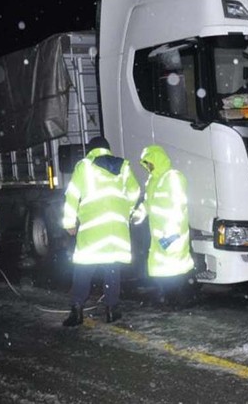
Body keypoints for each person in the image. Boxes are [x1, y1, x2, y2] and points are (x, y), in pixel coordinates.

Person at [61, 137, 139, 326]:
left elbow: (72, 195)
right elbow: (135, 191)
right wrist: (126, 211)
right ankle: (112, 310)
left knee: (83, 268)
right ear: (108, 149)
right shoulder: (123, 166)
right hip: (116, 231)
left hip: (93, 229)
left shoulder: (85, 166)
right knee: (112, 269)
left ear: (91, 150)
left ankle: (77, 310)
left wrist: (69, 223)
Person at [132, 145, 195, 309]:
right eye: (146, 163)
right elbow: (148, 202)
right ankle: (169, 298)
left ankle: (177, 300)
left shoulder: (172, 177)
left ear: (157, 159)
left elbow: (178, 204)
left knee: (176, 267)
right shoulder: (152, 181)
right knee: (164, 268)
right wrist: (139, 213)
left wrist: (171, 229)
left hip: (173, 232)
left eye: (149, 162)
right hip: (159, 233)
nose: (148, 166)